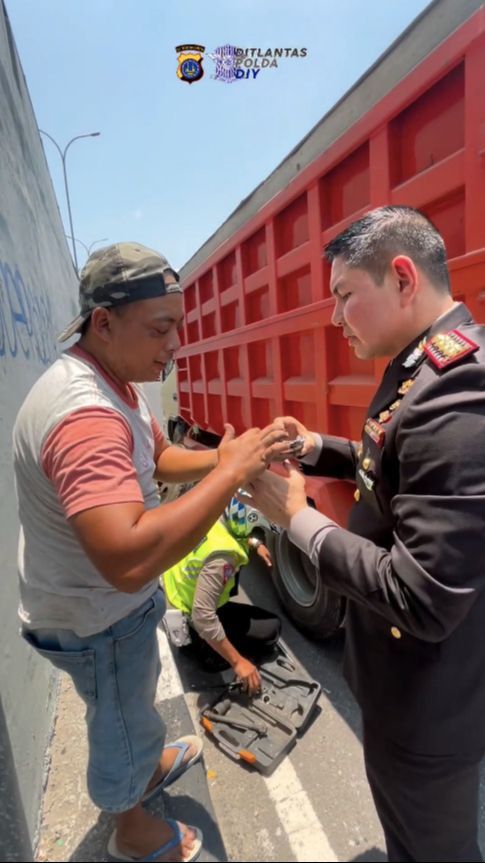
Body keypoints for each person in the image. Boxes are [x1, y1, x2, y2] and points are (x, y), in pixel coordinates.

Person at [12, 242, 288, 863]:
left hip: (102, 607)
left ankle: (148, 760)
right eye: (159, 329)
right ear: (103, 322)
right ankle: (132, 830)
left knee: (130, 707)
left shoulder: (118, 382)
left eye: (178, 328)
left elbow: (159, 458)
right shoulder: (84, 415)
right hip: (95, 616)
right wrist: (228, 477)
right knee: (117, 722)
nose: (173, 346)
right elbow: (129, 560)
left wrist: (230, 459)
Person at [245, 206, 485, 862]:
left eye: (345, 295)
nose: (333, 316)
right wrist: (316, 446)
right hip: (404, 689)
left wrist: (297, 518)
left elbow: (421, 595)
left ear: (402, 278)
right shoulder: (425, 366)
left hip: (427, 707)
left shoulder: (457, 386)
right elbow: (393, 466)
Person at [163, 495, 280, 693]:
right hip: (193, 625)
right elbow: (203, 618)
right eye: (254, 529)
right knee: (272, 629)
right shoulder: (224, 556)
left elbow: (237, 528)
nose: (254, 534)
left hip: (177, 599)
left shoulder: (211, 511)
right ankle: (210, 654)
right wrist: (238, 662)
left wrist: (255, 544)